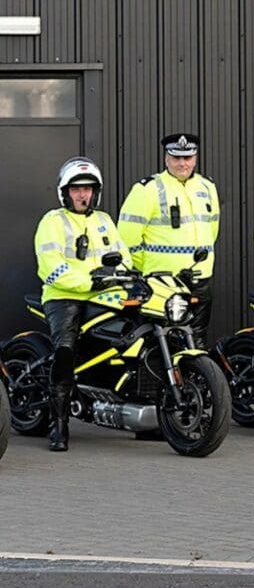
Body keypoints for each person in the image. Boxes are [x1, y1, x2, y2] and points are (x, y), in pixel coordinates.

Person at [34, 157, 132, 452]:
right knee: (66, 349)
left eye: (88, 189)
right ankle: (59, 424)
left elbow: (123, 256)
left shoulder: (104, 221)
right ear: (65, 192)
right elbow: (49, 267)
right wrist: (90, 282)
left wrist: (122, 275)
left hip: (103, 296)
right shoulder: (53, 221)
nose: (82, 194)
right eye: (76, 189)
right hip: (64, 297)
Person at [117, 133, 220, 346]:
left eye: (188, 157)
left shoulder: (207, 187)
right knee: (161, 344)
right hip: (162, 282)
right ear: (166, 159)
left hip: (200, 280)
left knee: (197, 342)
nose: (182, 163)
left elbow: (212, 230)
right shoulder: (147, 189)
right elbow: (127, 237)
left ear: (195, 158)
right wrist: (148, 270)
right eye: (176, 157)